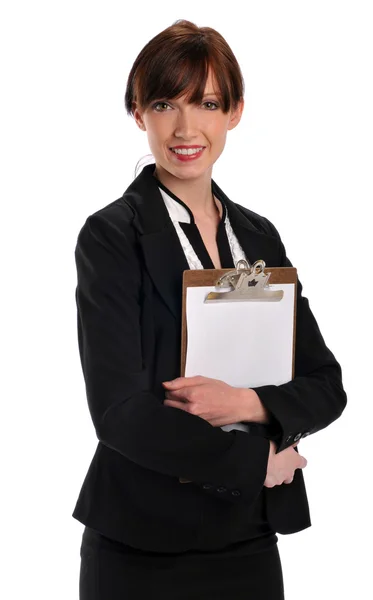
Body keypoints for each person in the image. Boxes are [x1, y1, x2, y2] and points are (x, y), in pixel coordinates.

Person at [74, 19, 347, 600]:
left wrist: (249, 404)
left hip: (247, 538)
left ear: (236, 112)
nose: (186, 127)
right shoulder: (111, 236)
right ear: (138, 113)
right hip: (140, 543)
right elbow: (119, 411)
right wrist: (254, 461)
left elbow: (326, 383)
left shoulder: (259, 236)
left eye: (208, 102)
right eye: (165, 102)